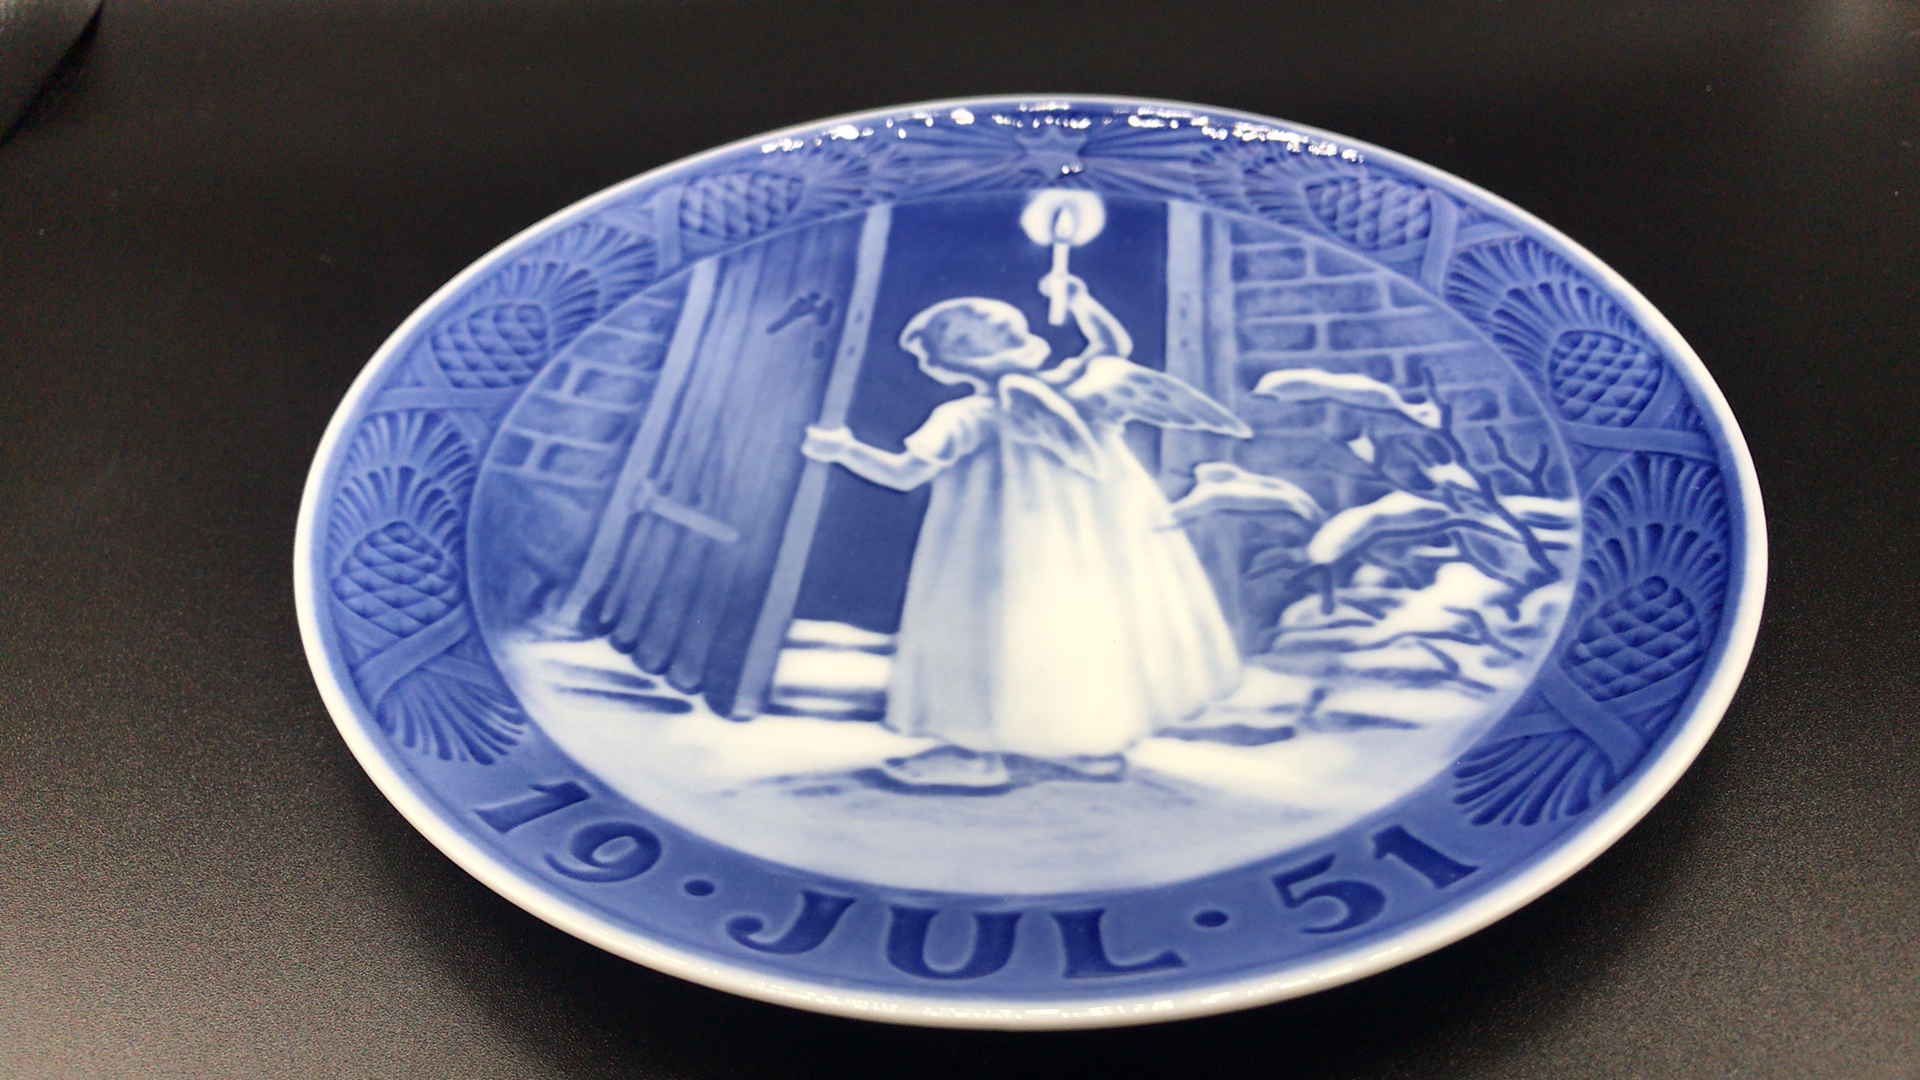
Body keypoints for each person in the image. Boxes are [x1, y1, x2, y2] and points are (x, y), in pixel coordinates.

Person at [801, 274, 1248, 789]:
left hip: (998, 549)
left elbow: (903, 474)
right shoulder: (1077, 388)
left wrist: (843, 450)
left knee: (992, 633)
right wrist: (1082, 302)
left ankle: (978, 752)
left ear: (950, 361)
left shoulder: (967, 415)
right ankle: (1087, 744)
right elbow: (1111, 348)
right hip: (1082, 548)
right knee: (1076, 629)